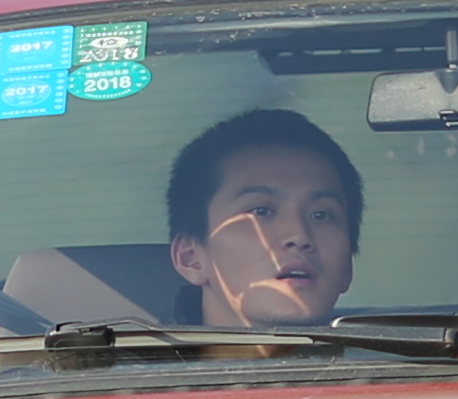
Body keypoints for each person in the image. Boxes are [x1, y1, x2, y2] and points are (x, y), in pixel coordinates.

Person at [156, 107, 364, 328]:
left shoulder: (393, 359)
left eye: (321, 215)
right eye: (261, 211)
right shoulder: (130, 363)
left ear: (347, 269)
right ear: (190, 258)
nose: (299, 236)